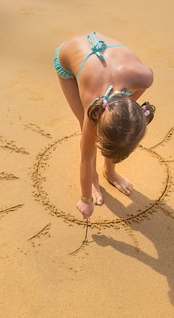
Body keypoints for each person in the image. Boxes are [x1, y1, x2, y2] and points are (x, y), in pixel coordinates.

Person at [54, 31, 156, 219]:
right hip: (68, 59)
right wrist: (85, 199)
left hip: (102, 60)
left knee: (118, 130)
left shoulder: (144, 77)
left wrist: (127, 104)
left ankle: (110, 170)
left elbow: (145, 80)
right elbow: (85, 158)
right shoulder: (93, 109)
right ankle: (94, 179)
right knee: (85, 128)